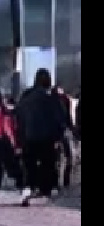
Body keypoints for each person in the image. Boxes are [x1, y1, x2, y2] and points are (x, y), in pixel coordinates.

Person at [15, 69, 70, 206]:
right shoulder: (51, 98)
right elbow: (59, 118)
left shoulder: (26, 96)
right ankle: (46, 190)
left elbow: (18, 117)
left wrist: (20, 138)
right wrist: (58, 137)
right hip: (47, 138)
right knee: (48, 163)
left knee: (29, 165)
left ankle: (27, 189)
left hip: (28, 137)